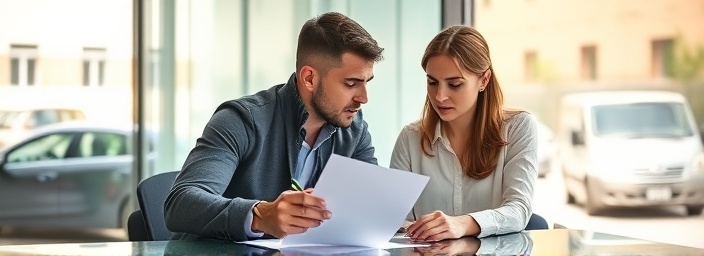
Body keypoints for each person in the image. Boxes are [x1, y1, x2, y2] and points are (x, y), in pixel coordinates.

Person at [164, 12, 384, 241]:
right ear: (309, 78)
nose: (364, 98)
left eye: (366, 83)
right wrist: (259, 215)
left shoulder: (354, 130)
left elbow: (368, 203)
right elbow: (181, 203)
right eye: (351, 84)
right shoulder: (241, 120)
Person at [389, 25, 538, 241]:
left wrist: (461, 223)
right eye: (432, 82)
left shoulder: (518, 128)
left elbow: (518, 210)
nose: (440, 96)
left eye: (455, 84)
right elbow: (395, 219)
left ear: (483, 81)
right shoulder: (410, 138)